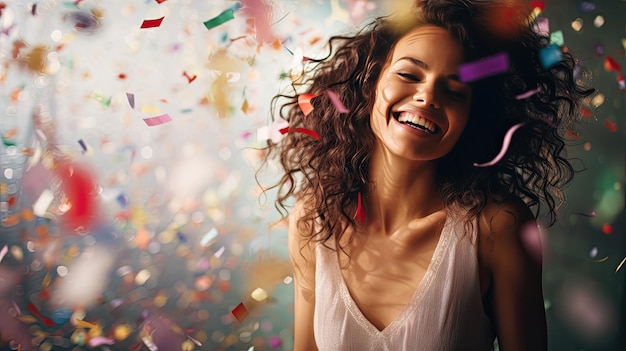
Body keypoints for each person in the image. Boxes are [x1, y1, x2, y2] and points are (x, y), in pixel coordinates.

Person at [262, 0, 594, 350]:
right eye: (408, 74)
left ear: (472, 121)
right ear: (369, 84)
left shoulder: (496, 227)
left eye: (453, 91)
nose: (427, 97)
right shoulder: (314, 219)